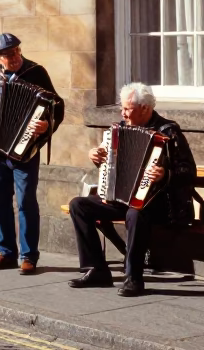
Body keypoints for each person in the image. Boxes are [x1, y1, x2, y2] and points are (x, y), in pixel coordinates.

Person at [67, 82, 196, 297]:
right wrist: (96, 155)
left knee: (135, 213)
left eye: (127, 109)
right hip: (123, 201)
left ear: (145, 108)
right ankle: (96, 269)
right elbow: (111, 164)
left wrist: (166, 174)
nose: (123, 113)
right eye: (122, 108)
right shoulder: (119, 130)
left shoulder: (169, 131)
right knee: (79, 206)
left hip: (161, 204)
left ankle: (133, 278)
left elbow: (189, 171)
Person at [0, 33, 63, 275]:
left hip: (25, 152)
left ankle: (29, 256)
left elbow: (58, 106)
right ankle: (6, 253)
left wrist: (46, 125)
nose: (14, 57)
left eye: (17, 52)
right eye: (8, 55)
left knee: (25, 203)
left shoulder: (37, 73)